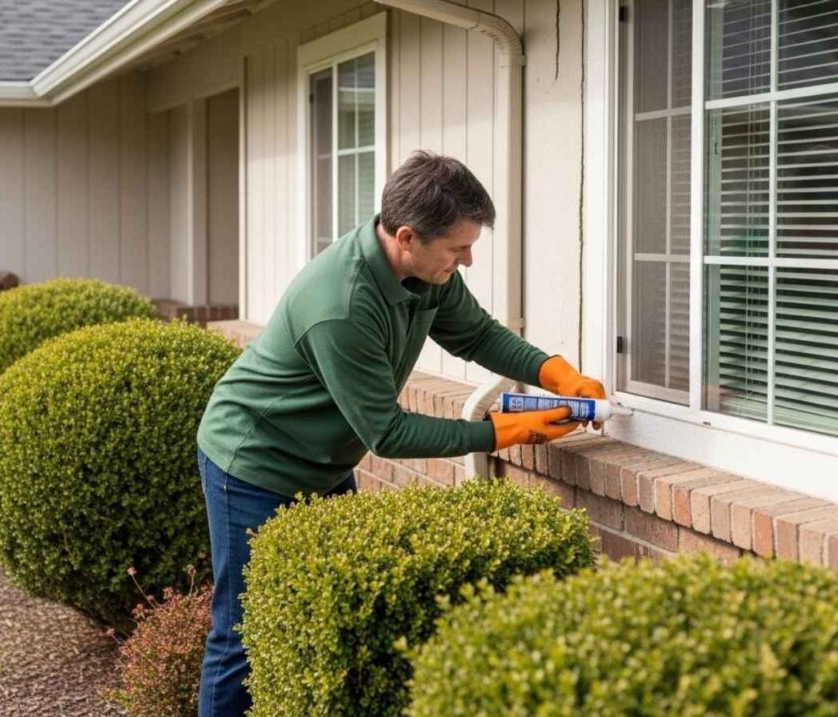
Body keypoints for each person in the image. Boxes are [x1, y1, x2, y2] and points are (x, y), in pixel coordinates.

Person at [195, 150, 606, 716]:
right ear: (408, 237)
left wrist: (555, 372)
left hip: (324, 460)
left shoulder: (424, 272)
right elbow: (386, 434)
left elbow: (477, 334)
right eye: (458, 248)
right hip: (253, 462)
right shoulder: (341, 303)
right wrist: (501, 432)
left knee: (327, 617)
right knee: (241, 632)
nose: (467, 260)